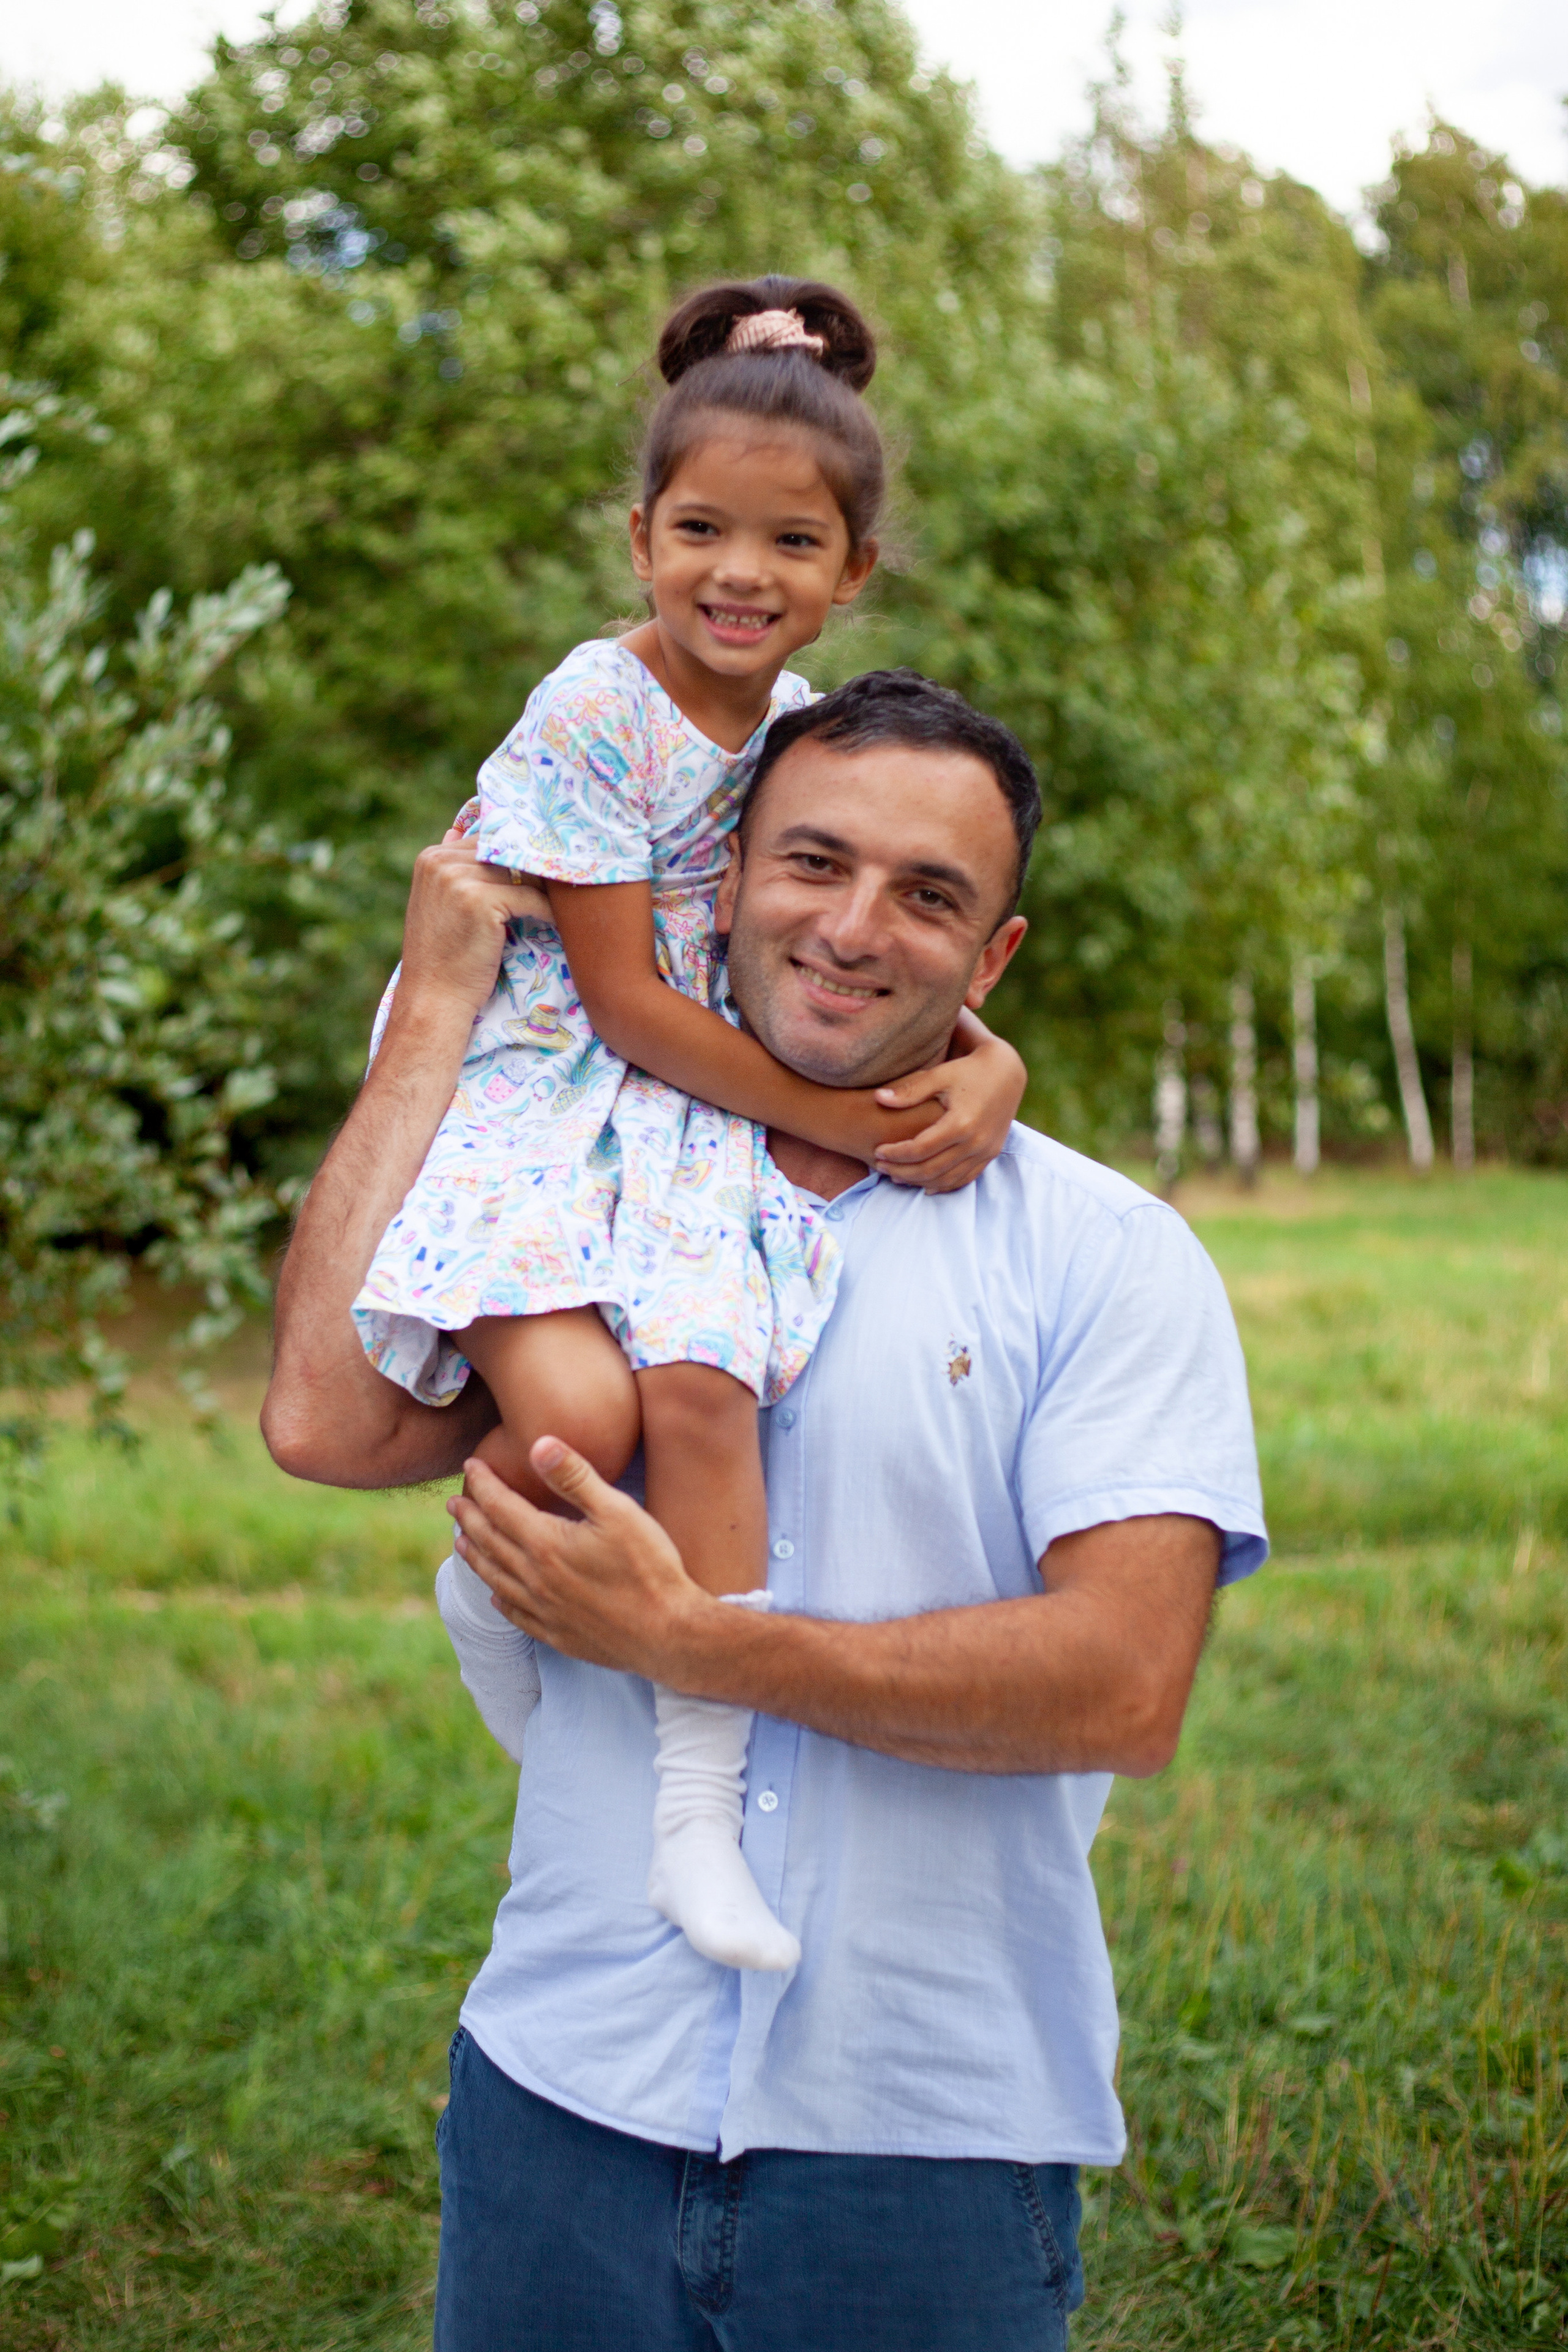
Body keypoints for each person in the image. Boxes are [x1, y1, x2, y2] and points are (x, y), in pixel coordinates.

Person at [262, 666, 1268, 2352]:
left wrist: (692, 1650)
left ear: (994, 957)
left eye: (930, 894)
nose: (856, 926)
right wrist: (435, 1013)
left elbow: (1124, 1686)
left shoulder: (1106, 1253)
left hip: (923, 2134)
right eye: (814, 862)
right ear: (722, 875)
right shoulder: (588, 1179)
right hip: (560, 2094)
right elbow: (321, 1417)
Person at [349, 274, 1026, 1974]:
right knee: (577, 1408)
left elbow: (864, 933)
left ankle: (694, 1813)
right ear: (642, 533)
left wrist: (988, 1066)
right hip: (549, 1072)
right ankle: (484, 1584)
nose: (744, 572)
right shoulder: (596, 708)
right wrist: (853, 1125)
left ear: (852, 574)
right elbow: (626, 1007)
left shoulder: (808, 730)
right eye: (703, 529)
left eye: (793, 543)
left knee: (703, 1393)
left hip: (687, 1086)